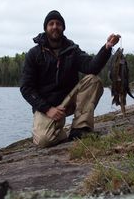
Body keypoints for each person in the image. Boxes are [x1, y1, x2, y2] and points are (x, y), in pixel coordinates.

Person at [20, 10, 120, 148]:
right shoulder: (34, 54)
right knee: (44, 141)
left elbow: (91, 67)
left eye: (58, 24)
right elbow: (26, 88)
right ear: (45, 28)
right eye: (51, 24)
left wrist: (107, 48)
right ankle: (59, 132)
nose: (55, 26)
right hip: (46, 106)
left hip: (69, 100)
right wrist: (48, 109)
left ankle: (80, 129)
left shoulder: (72, 50)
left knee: (92, 80)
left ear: (63, 28)